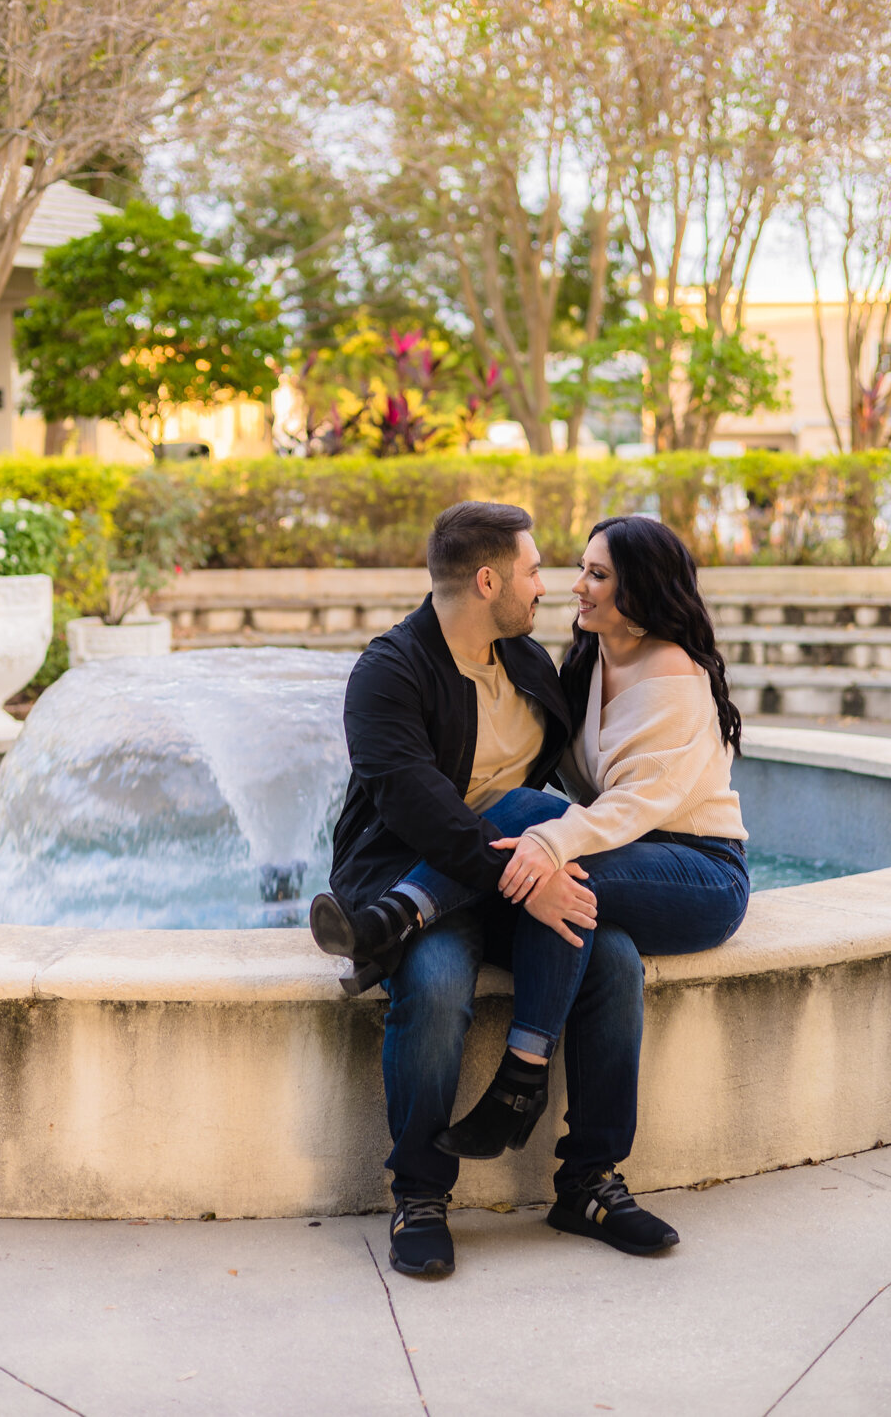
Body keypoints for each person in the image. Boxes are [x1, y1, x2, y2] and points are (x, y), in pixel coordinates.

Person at [310, 501, 671, 1278]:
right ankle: (421, 1194)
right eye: (536, 570)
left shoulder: (527, 662)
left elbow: (590, 762)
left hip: (513, 876)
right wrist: (530, 874)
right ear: (487, 580)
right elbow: (420, 810)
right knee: (438, 983)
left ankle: (588, 1183)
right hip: (413, 871)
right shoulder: (389, 672)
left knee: (608, 957)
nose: (549, 586)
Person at [430, 515, 750, 1196]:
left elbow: (636, 804)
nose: (577, 586)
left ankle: (520, 1071)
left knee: (553, 858)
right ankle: (589, 1181)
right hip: (623, 858)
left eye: (597, 574)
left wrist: (547, 841)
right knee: (604, 949)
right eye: (580, 568)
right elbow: (562, 777)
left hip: (701, 873)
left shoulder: (673, 671)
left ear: (642, 587)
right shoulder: (592, 658)